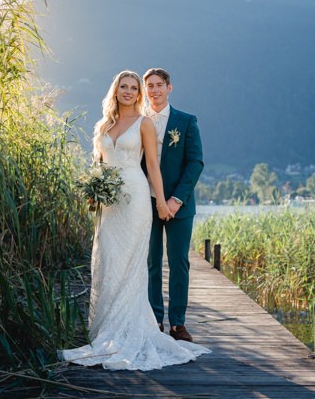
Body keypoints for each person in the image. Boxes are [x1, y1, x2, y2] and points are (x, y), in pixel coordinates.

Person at [59, 71, 210, 370]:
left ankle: (175, 324)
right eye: (124, 87)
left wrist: (167, 201)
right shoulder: (104, 124)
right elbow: (98, 163)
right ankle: (122, 324)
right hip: (111, 204)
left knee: (171, 261)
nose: (131, 91)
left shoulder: (167, 122)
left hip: (147, 199)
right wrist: (95, 190)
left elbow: (166, 164)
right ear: (115, 91)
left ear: (167, 88)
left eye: (136, 87)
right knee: (115, 260)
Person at [143, 68, 204, 343]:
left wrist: (175, 200)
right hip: (145, 203)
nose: (154, 90)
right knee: (151, 262)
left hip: (179, 206)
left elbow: (195, 163)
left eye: (159, 85)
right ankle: (155, 319)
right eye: (149, 86)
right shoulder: (138, 121)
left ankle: (178, 323)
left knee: (179, 263)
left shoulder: (186, 121)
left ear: (169, 88)